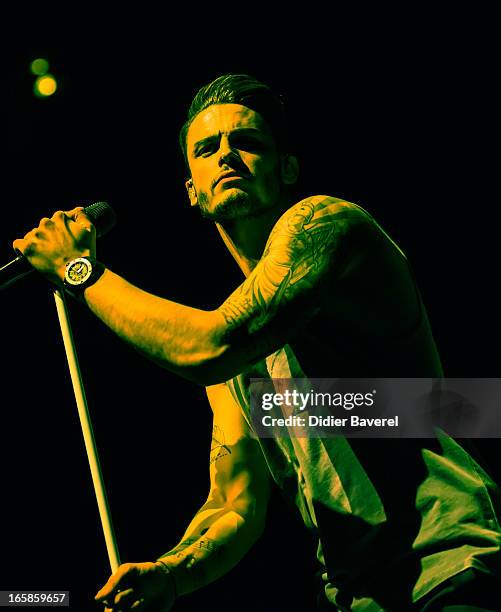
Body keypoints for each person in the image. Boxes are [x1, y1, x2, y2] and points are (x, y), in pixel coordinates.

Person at [14, 74, 501, 611]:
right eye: (207, 148)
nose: (226, 155)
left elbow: (210, 345)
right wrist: (169, 574)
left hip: (451, 567)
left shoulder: (327, 224)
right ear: (192, 190)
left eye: (247, 142)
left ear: (286, 167)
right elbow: (235, 506)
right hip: (361, 597)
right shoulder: (242, 358)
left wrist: (78, 270)